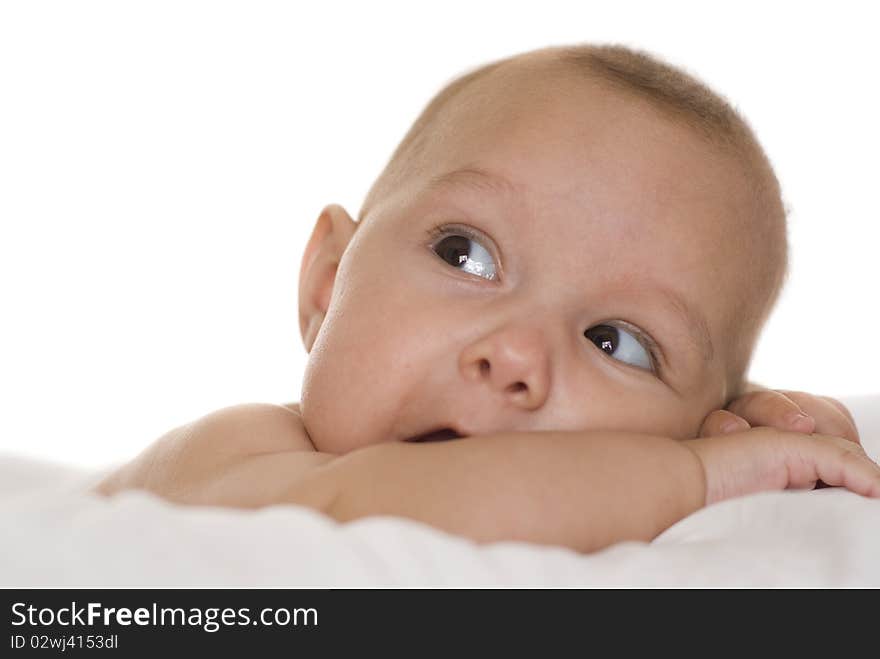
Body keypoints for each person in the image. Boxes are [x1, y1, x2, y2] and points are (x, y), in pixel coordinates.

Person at [97, 44, 876, 554]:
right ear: (327, 282)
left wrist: (761, 438)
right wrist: (701, 474)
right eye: (464, 254)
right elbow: (397, 509)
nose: (516, 355)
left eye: (617, 342)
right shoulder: (232, 455)